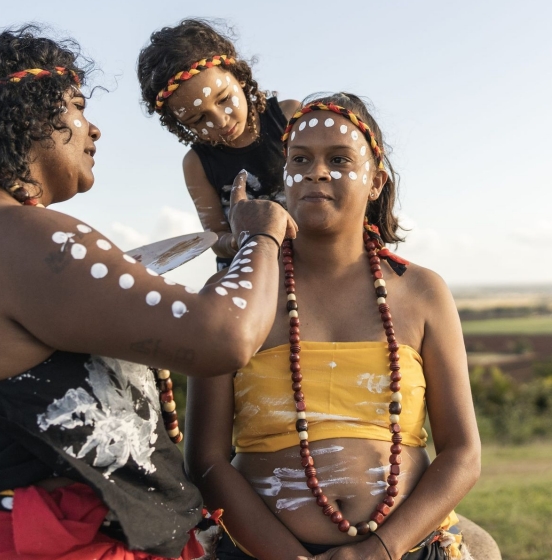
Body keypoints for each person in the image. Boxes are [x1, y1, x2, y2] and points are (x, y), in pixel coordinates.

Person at [0, 25, 296, 560]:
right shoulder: (18, 235)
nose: (93, 130)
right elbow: (226, 337)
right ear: (26, 113)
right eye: (76, 105)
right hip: (38, 542)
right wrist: (261, 232)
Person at [184, 93, 481, 560]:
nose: (315, 171)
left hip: (406, 550)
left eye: (339, 159)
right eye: (300, 159)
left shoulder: (422, 292)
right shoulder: (234, 292)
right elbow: (205, 459)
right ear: (284, 177)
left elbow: (463, 453)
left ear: (377, 182)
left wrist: (377, 551)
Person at [137, 20, 300, 269]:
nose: (220, 120)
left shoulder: (290, 118)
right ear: (181, 125)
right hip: (246, 271)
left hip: (307, 258)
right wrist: (246, 237)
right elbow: (216, 237)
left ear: (239, 76)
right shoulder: (197, 164)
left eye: (223, 98)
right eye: (199, 118)